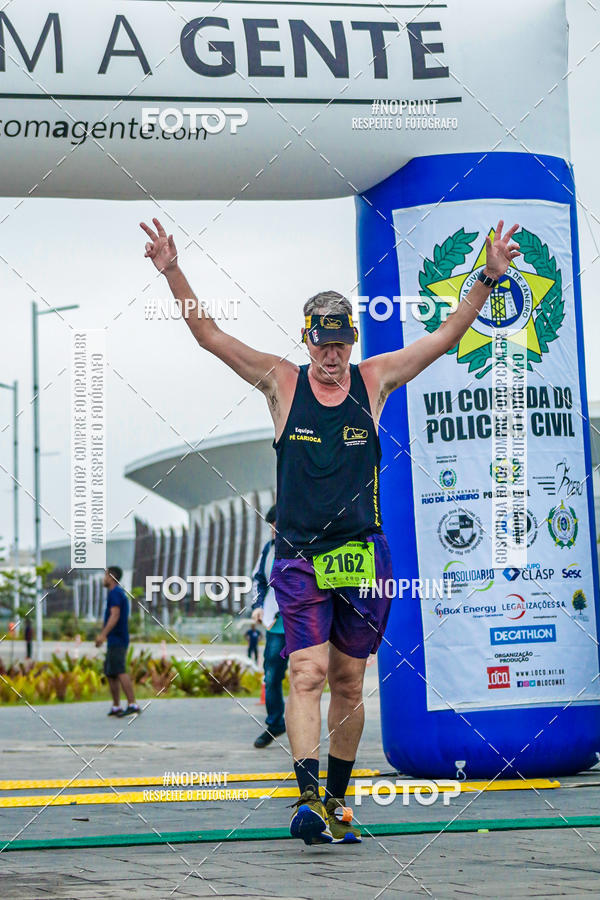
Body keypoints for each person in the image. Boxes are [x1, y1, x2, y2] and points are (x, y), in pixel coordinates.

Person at [140, 215, 521, 845]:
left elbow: (448, 336)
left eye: (341, 342)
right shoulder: (279, 381)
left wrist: (486, 278)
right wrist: (173, 270)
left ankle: (338, 801)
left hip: (363, 556)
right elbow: (208, 334)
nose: (333, 354)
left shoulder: (375, 380)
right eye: (323, 343)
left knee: (348, 678)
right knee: (306, 672)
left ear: (350, 339)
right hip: (299, 556)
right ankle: (308, 800)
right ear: (307, 339)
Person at [251, 504, 288, 749]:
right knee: (272, 675)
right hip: (276, 624)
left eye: (278, 524)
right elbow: (259, 579)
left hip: (308, 622)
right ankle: (275, 723)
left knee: (308, 677)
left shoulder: (309, 544)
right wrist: (258, 605)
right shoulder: (268, 549)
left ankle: (306, 726)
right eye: (271, 526)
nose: (274, 530)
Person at [95, 566, 140, 717]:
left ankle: (132, 704)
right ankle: (116, 706)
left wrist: (103, 635)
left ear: (112, 577)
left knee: (119, 671)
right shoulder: (117, 593)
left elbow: (115, 615)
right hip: (115, 639)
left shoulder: (115, 593)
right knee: (111, 672)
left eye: (105, 575)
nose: (103, 578)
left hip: (118, 638)